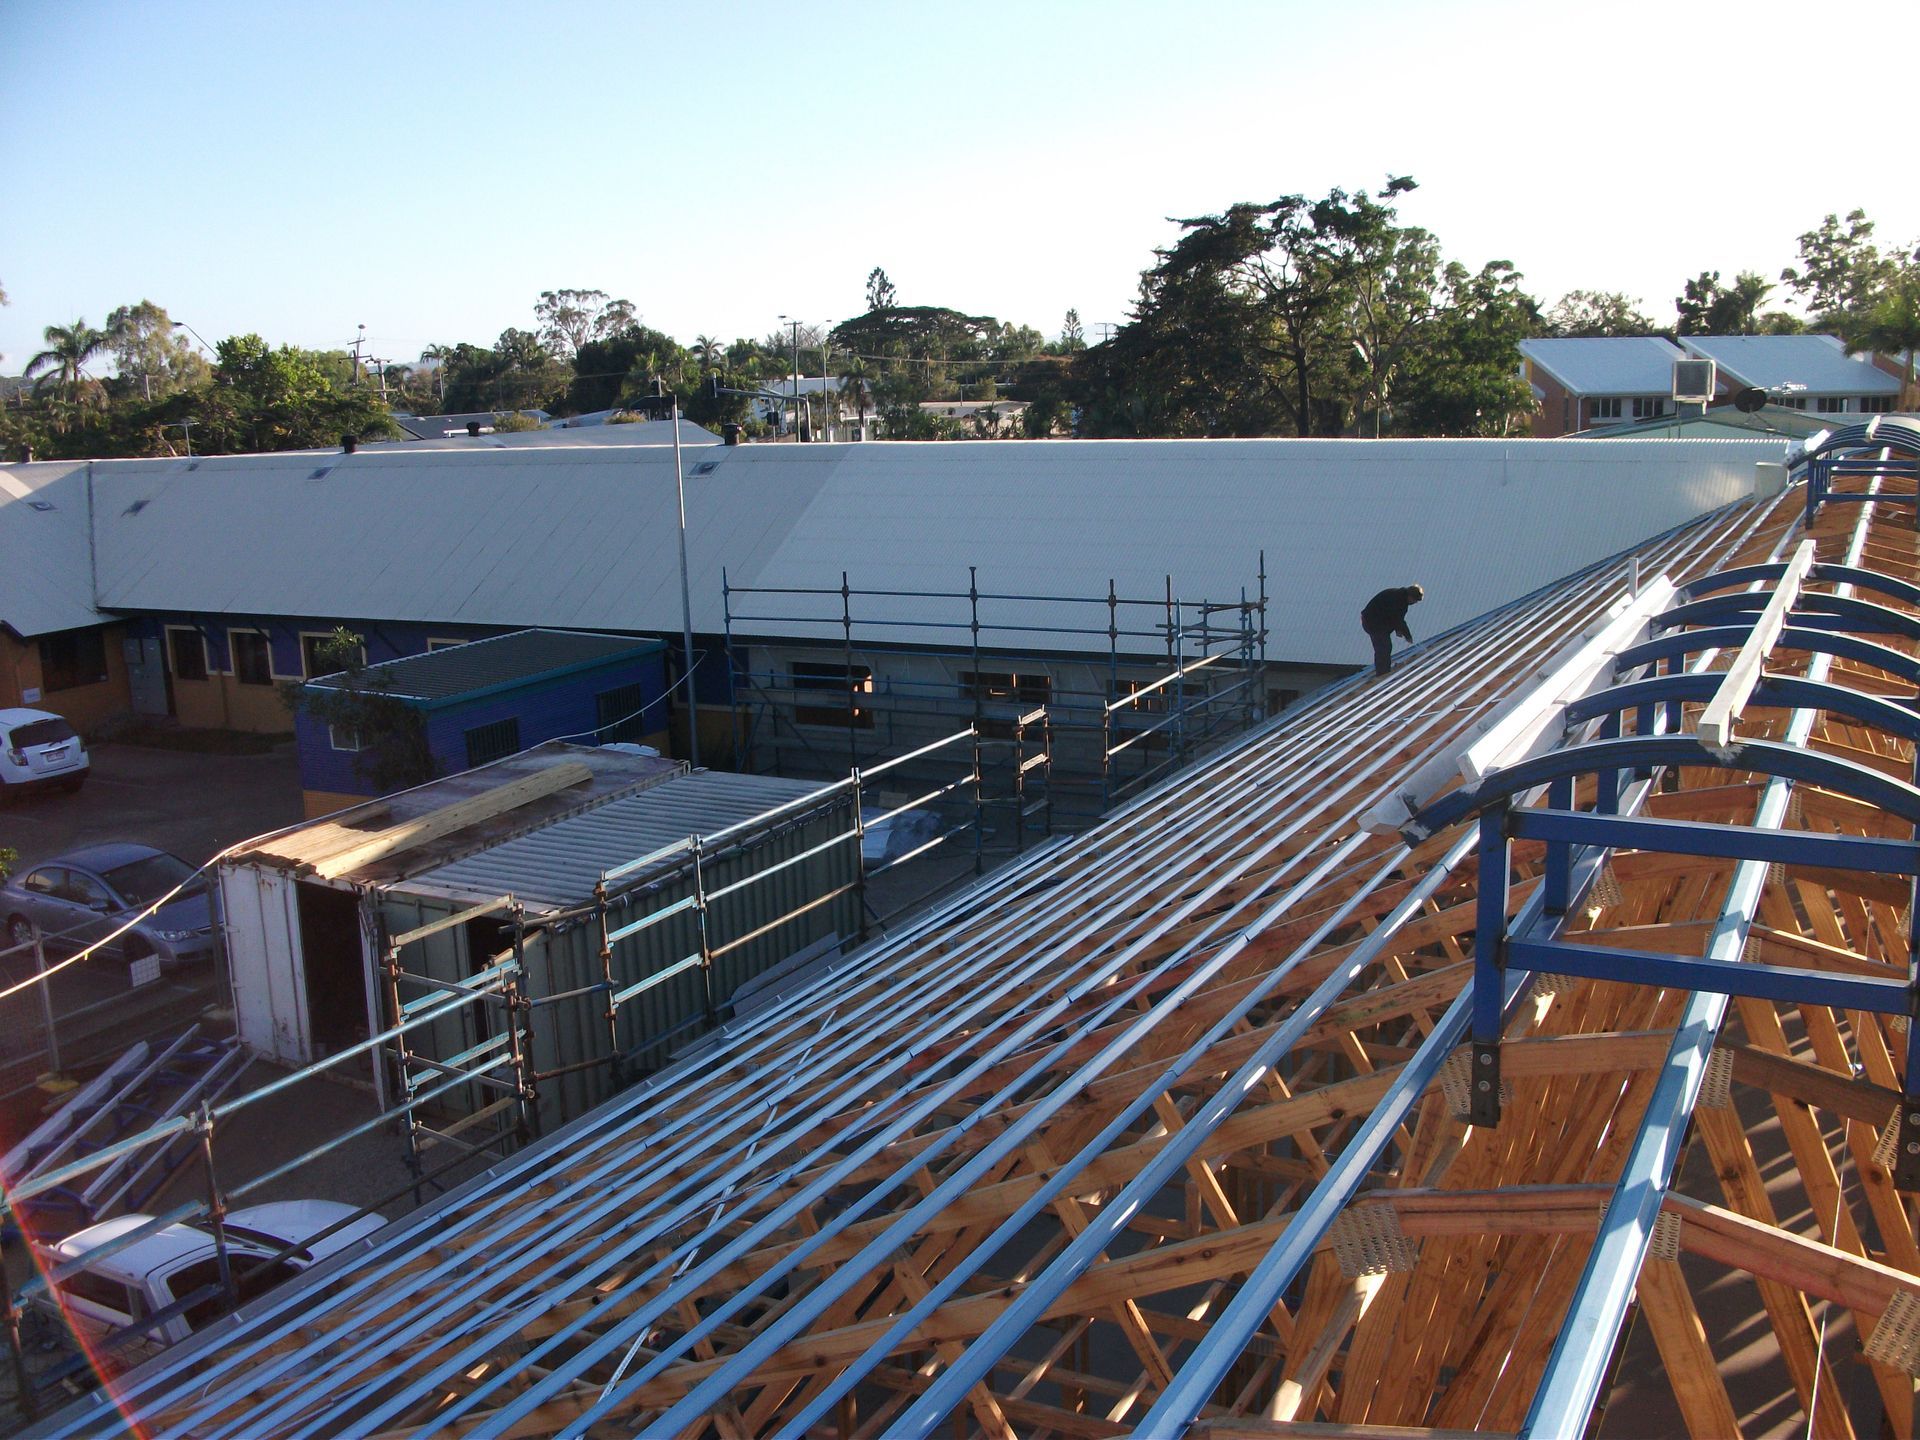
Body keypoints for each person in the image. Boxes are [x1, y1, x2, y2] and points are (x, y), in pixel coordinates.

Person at [1360, 584, 1424, 677]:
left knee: (1384, 646)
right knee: (1384, 647)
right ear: (1410, 596)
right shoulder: (1397, 600)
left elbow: (1396, 618)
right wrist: (1407, 636)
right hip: (1372, 622)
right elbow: (1397, 618)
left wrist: (1398, 629)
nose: (1415, 603)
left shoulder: (1400, 598)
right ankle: (1382, 673)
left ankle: (1383, 671)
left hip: (1376, 621)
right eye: (1415, 600)